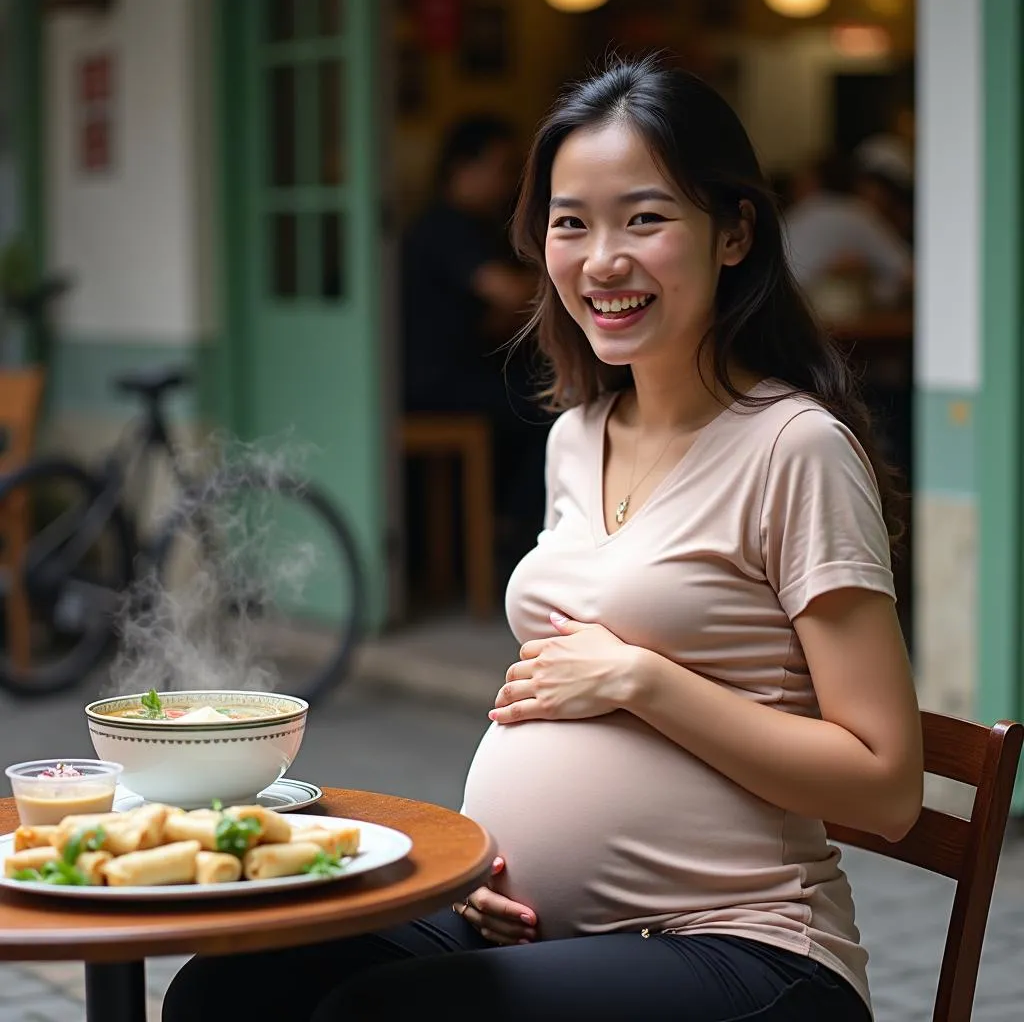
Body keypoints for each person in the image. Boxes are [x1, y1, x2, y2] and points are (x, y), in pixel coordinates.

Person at [163, 56, 923, 1021]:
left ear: (734, 233)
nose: (602, 259)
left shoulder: (795, 449)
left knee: (387, 1015)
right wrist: (472, 870)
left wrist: (642, 680)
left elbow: (887, 787)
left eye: (644, 219)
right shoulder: (577, 436)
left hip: (744, 945)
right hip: (530, 925)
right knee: (229, 988)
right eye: (573, 223)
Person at [400, 114, 549, 575]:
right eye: (502, 168)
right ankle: (514, 534)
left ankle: (508, 527)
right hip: (433, 385)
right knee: (554, 405)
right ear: (464, 167)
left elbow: (492, 318)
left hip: (460, 375)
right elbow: (505, 291)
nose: (509, 182)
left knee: (540, 393)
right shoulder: (446, 226)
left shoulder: (473, 226)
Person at [783, 152, 912, 311]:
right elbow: (906, 272)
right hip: (856, 326)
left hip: (791, 318)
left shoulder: (794, 218)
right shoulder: (861, 215)